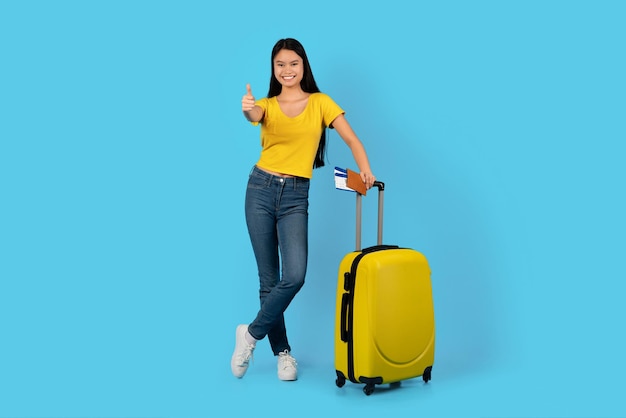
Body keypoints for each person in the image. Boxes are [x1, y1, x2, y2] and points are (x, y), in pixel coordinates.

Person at [232, 38, 376, 381]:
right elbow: (254, 114)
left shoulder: (321, 103)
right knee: (269, 280)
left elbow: (352, 138)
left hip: (296, 194)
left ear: (303, 66)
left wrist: (366, 169)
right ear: (274, 69)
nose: (287, 70)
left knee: (294, 275)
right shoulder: (266, 104)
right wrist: (247, 107)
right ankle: (283, 354)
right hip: (260, 190)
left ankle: (249, 334)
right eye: (280, 65)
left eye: (293, 64)